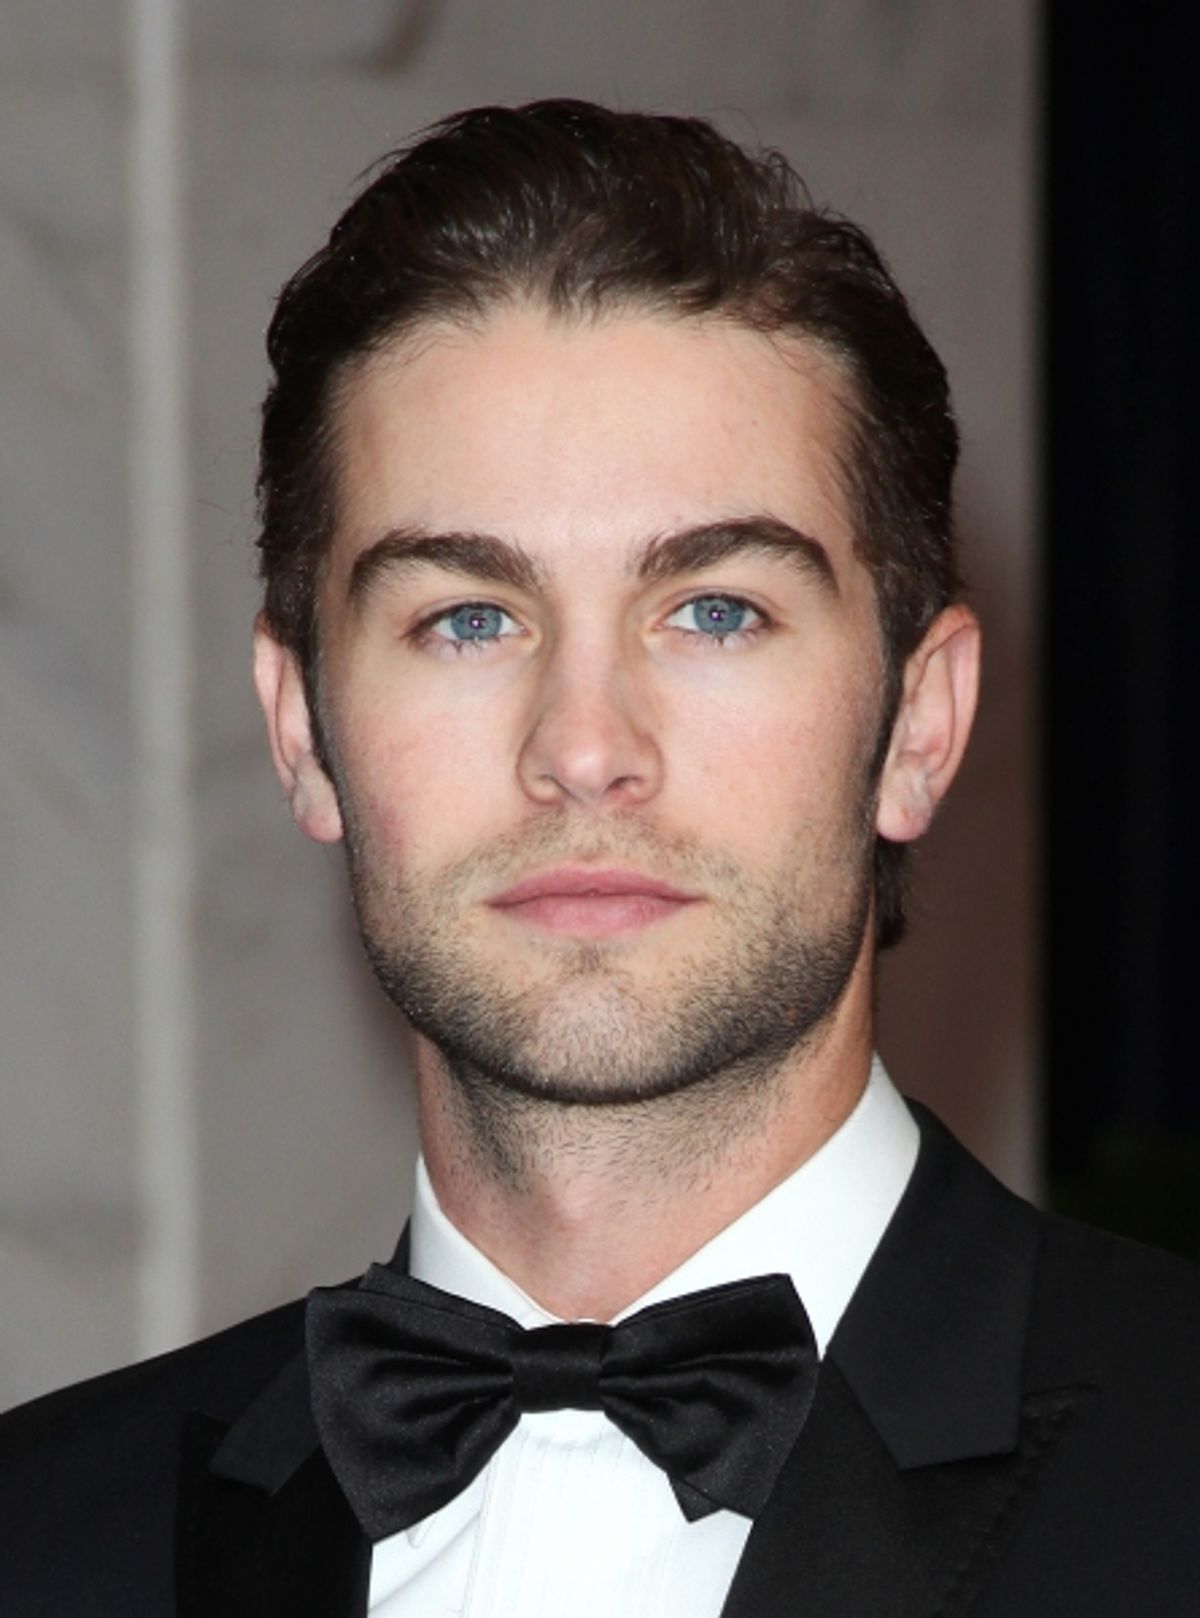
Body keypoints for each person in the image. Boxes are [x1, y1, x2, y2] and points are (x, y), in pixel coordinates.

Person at [1, 99, 1197, 1617]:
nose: (583, 745)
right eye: (467, 618)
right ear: (304, 727)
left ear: (917, 721)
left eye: (715, 611)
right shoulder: (39, 1540)